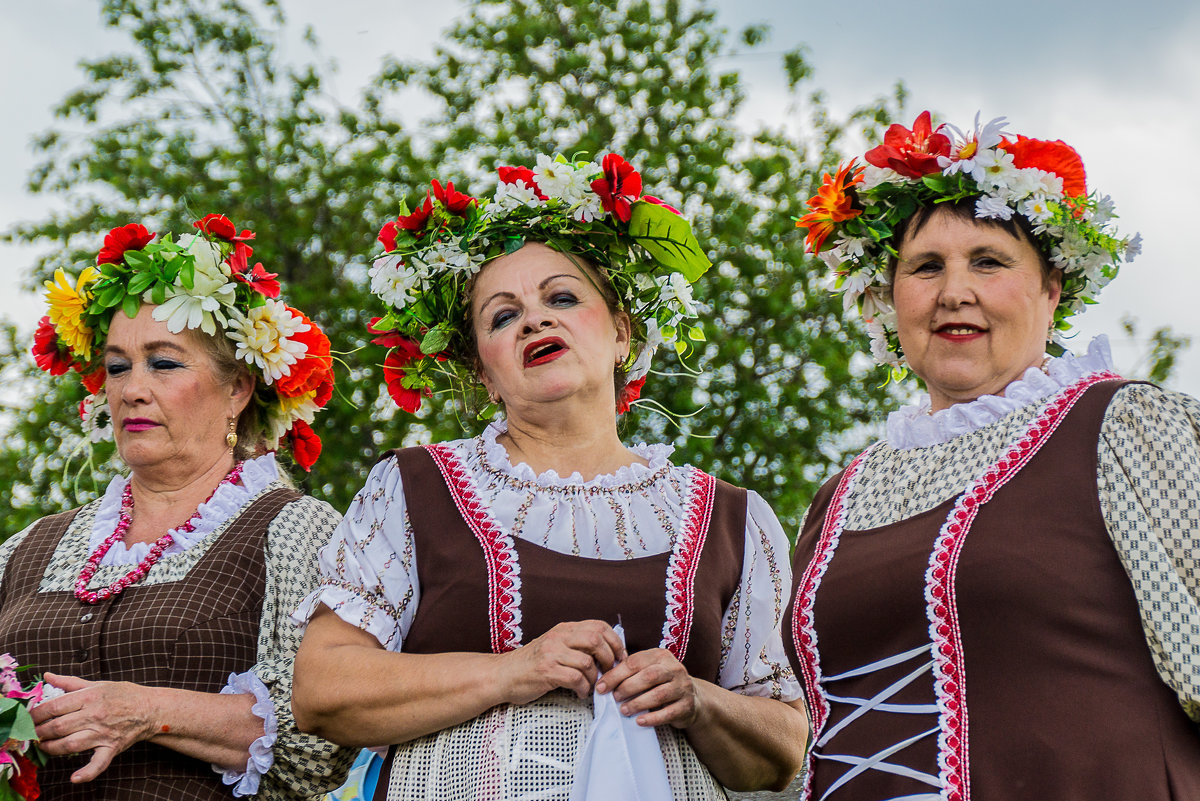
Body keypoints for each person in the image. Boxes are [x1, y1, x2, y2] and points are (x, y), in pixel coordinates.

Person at [292, 153, 808, 800]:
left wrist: (698, 700)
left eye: (562, 297)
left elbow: (785, 748)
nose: (534, 319)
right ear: (483, 371)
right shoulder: (413, 488)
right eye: (502, 316)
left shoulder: (732, 519)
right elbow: (321, 690)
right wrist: (517, 670)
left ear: (623, 332)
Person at [786, 111, 1200, 800]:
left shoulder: (1122, 427)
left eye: (989, 260)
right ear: (889, 300)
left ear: (1052, 290)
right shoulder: (840, 497)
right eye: (925, 267)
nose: (955, 291)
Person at [11, 215, 355, 799]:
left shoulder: (295, 529)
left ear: (237, 389)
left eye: (164, 363)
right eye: (117, 367)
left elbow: (326, 740)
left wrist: (144, 710)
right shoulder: (31, 544)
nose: (130, 389)